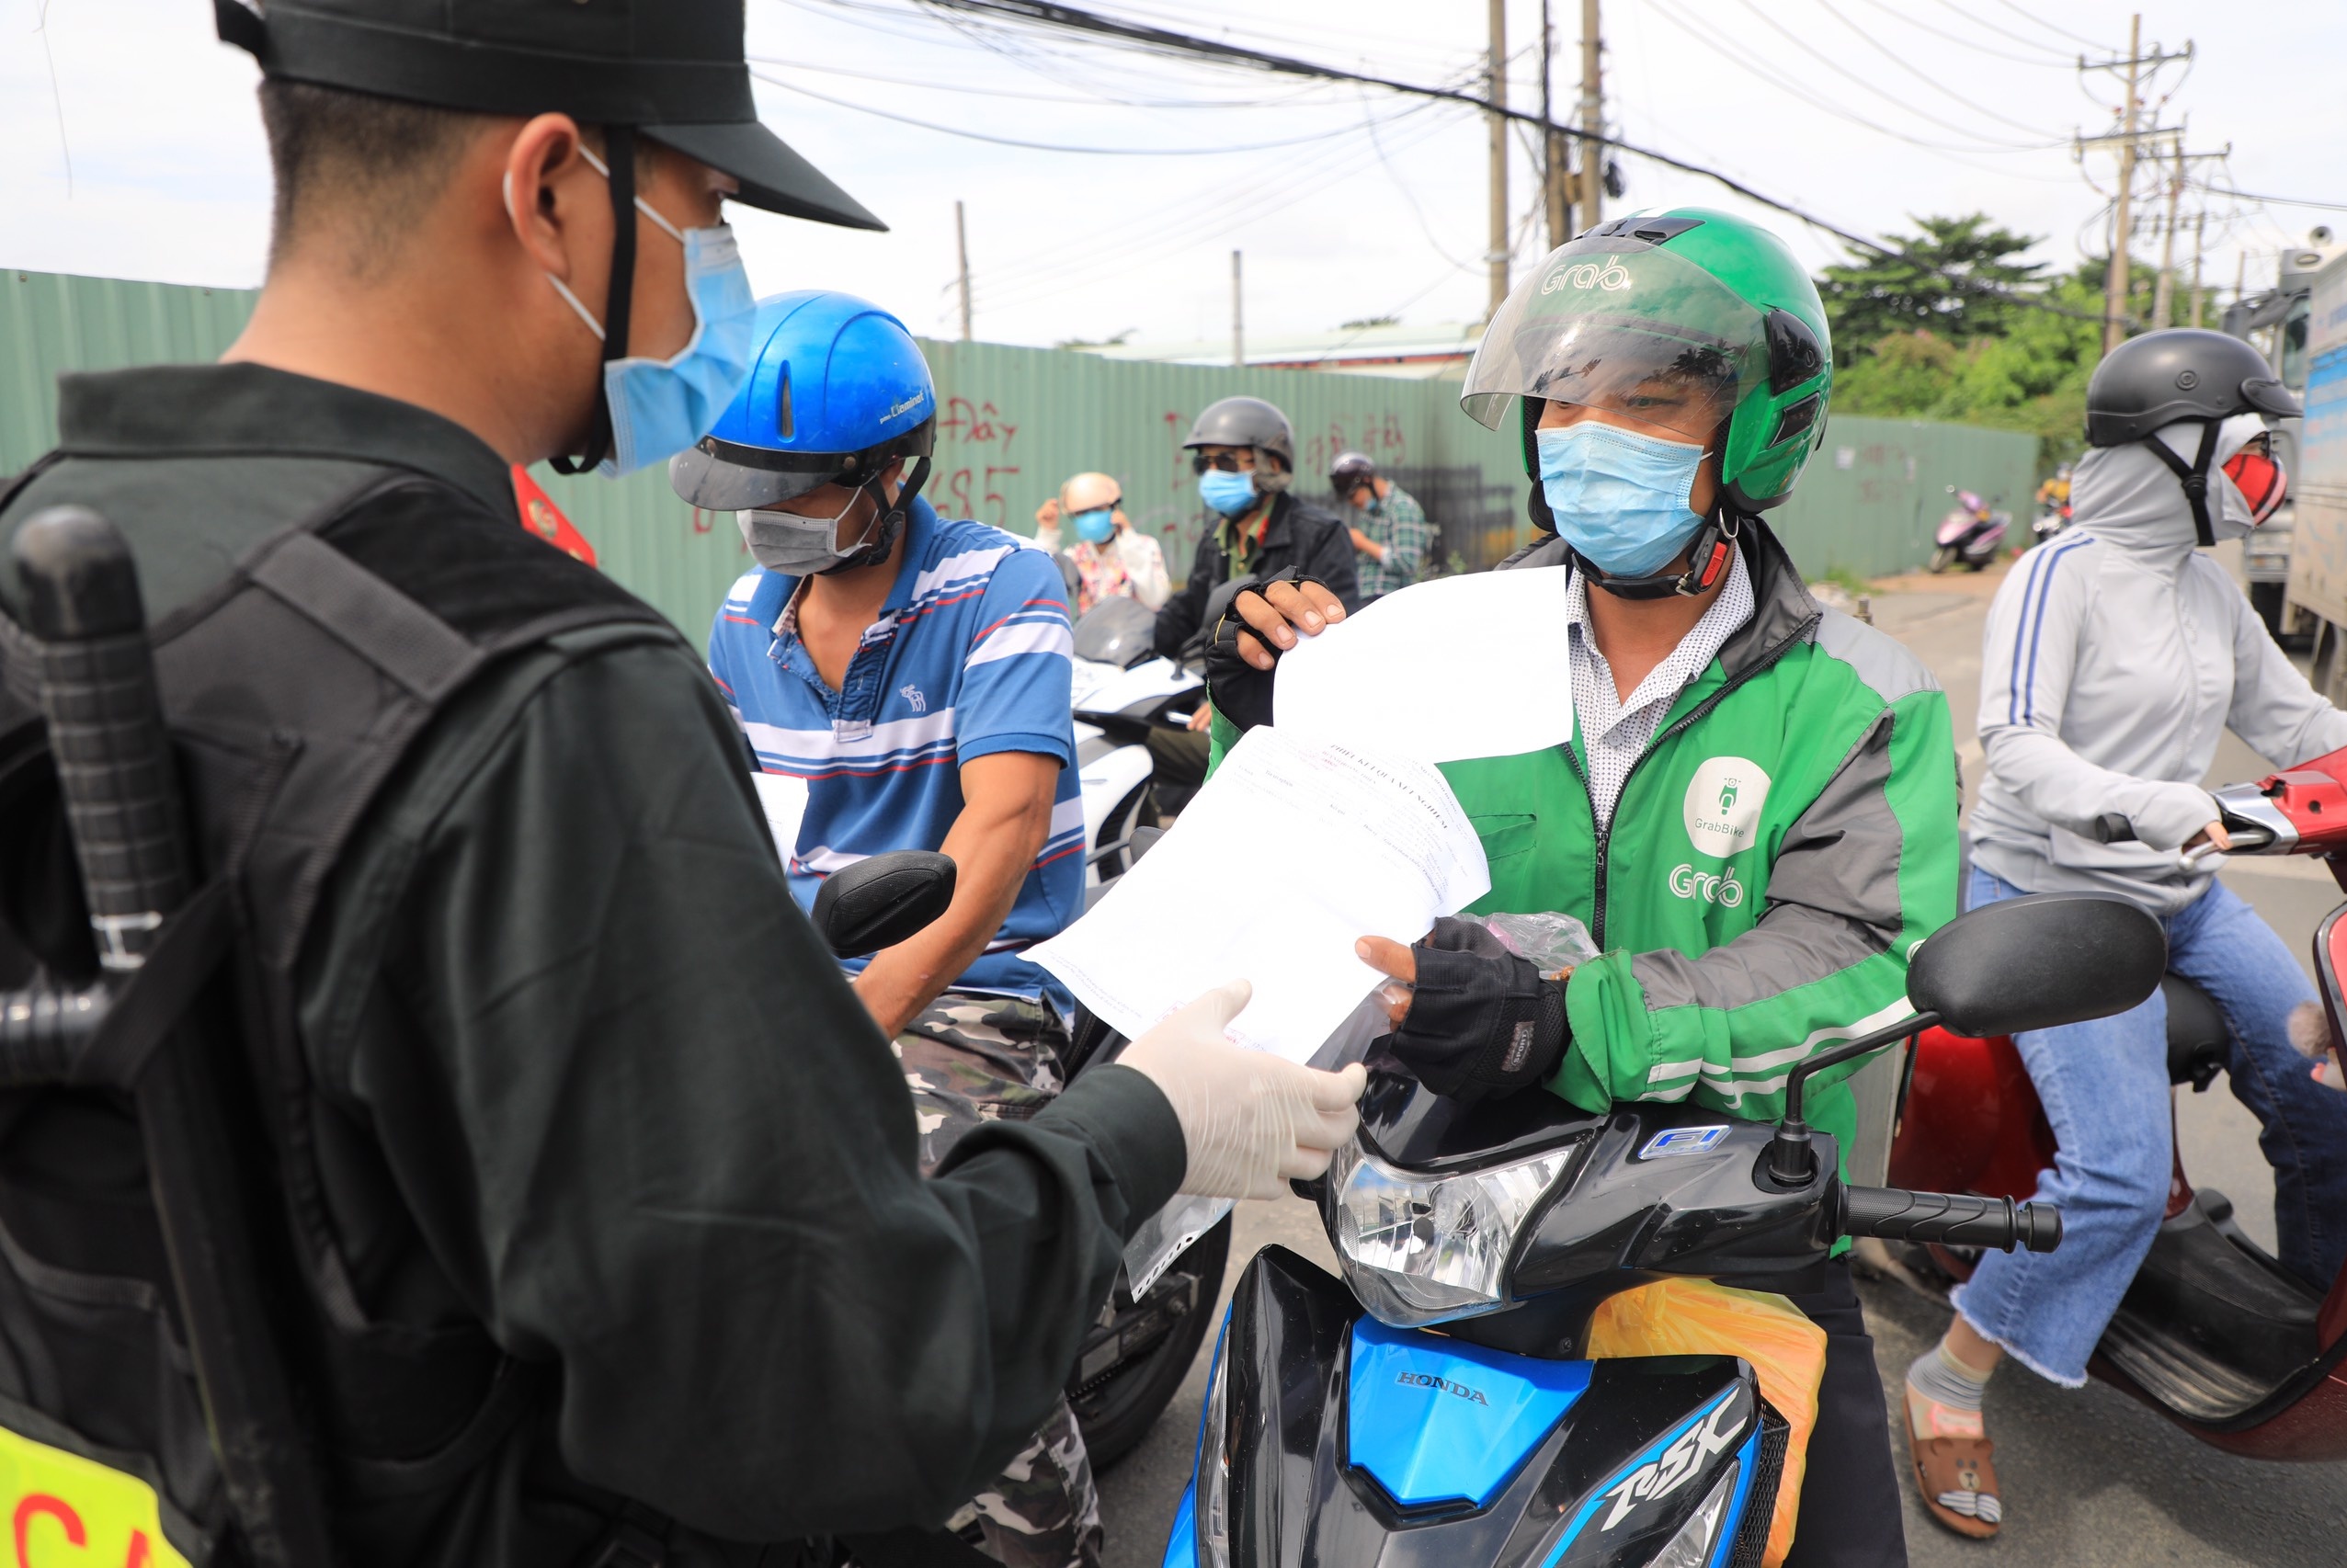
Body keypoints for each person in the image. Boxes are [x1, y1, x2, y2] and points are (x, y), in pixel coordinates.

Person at [0, 6, 1365, 1564]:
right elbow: (835, 1374)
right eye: (705, 213)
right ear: (553, 190)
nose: (714, 274)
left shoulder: (47, 558)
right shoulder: (539, 695)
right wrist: (1146, 1127)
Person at [1208, 209, 1961, 1568]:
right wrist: (1259, 714)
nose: (1587, 430)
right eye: (1564, 398)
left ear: (1760, 427)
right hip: (1449, 1197)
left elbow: (1869, 947)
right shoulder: (1430, 647)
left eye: (1650, 398)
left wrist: (1573, 1016)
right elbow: (1304, 882)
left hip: (1734, 1221)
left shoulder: (1863, 698)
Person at [1908, 327, 2347, 1541]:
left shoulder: (2208, 589)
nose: (2263, 476)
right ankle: (1950, 1376)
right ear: (2178, 448)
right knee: (2108, 1177)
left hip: (2181, 890)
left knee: (2328, 1095)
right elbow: (2019, 747)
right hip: (2053, 895)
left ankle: (2309, 1316)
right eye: (2252, 451)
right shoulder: (2062, 572)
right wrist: (2177, 804)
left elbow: (2300, 719)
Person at [685, 290, 1101, 1568]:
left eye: (799, 487)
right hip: (815, 976)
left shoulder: (998, 584)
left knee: (912, 1230)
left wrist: (853, 1023)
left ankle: (1046, 1535)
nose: (769, 515)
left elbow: (999, 837)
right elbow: (725, 834)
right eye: (755, 486)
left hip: (982, 987)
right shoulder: (745, 621)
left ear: (894, 473)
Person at [1151, 394, 1361, 663]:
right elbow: (1191, 608)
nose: (1212, 474)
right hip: (1216, 678)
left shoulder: (1322, 534)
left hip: (1280, 685)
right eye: (1204, 464)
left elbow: (1338, 629)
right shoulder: (1213, 537)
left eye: (1226, 462)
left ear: (1271, 465)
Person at [1034, 472, 1170, 616]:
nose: (1090, 518)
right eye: (1082, 513)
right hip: (1091, 636)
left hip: (1136, 635)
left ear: (1115, 508)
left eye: (1098, 510)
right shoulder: (1076, 555)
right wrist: (1047, 533)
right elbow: (1041, 583)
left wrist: (1129, 540)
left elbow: (1155, 598)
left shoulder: (1144, 546)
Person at [1328, 449, 1434, 600]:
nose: (1352, 503)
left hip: (1390, 600)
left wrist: (1363, 543)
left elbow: (1407, 562)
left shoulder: (1403, 508)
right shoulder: (1369, 510)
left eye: (1352, 496)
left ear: (1367, 481)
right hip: (1363, 596)